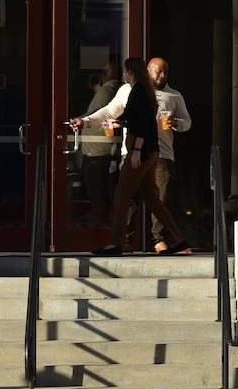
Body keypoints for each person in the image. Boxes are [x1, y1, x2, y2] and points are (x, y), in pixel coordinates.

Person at [94, 58, 189, 256]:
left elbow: (144, 125)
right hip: (150, 152)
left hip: (141, 152)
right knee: (154, 201)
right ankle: (179, 240)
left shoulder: (139, 92)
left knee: (122, 196)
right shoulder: (142, 92)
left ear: (130, 72)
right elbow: (138, 120)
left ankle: (115, 244)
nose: (123, 76)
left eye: (125, 72)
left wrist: (136, 150)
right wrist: (121, 124)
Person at [141, 57, 193, 252]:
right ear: (148, 71)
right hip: (134, 153)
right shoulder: (134, 92)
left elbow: (187, 122)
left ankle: (158, 239)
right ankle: (125, 241)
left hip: (163, 154)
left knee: (161, 198)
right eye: (158, 71)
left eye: (165, 72)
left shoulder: (174, 96)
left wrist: (176, 124)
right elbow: (112, 111)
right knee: (129, 198)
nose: (162, 75)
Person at [76, 60, 123, 226]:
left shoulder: (108, 88)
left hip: (98, 152)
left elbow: (97, 114)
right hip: (105, 151)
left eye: (106, 72)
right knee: (106, 195)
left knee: (98, 197)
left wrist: (79, 122)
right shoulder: (114, 90)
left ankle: (96, 231)